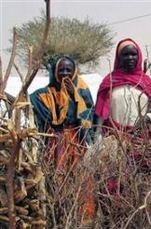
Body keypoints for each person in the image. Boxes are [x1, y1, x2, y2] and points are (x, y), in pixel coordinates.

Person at [94, 38, 151, 225]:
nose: (130, 58)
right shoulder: (109, 81)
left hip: (141, 142)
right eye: (126, 54)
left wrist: (148, 119)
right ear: (118, 57)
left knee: (142, 187)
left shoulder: (145, 81)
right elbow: (100, 114)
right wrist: (99, 141)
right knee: (114, 188)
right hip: (115, 143)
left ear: (139, 56)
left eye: (134, 54)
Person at [30, 55, 96, 225]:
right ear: (54, 72)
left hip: (76, 141)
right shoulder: (44, 95)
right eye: (61, 70)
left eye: (69, 70)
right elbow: (31, 101)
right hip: (55, 142)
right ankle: (57, 217)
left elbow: (90, 114)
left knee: (80, 179)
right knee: (56, 179)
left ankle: (80, 220)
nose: (65, 73)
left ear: (74, 72)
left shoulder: (81, 94)